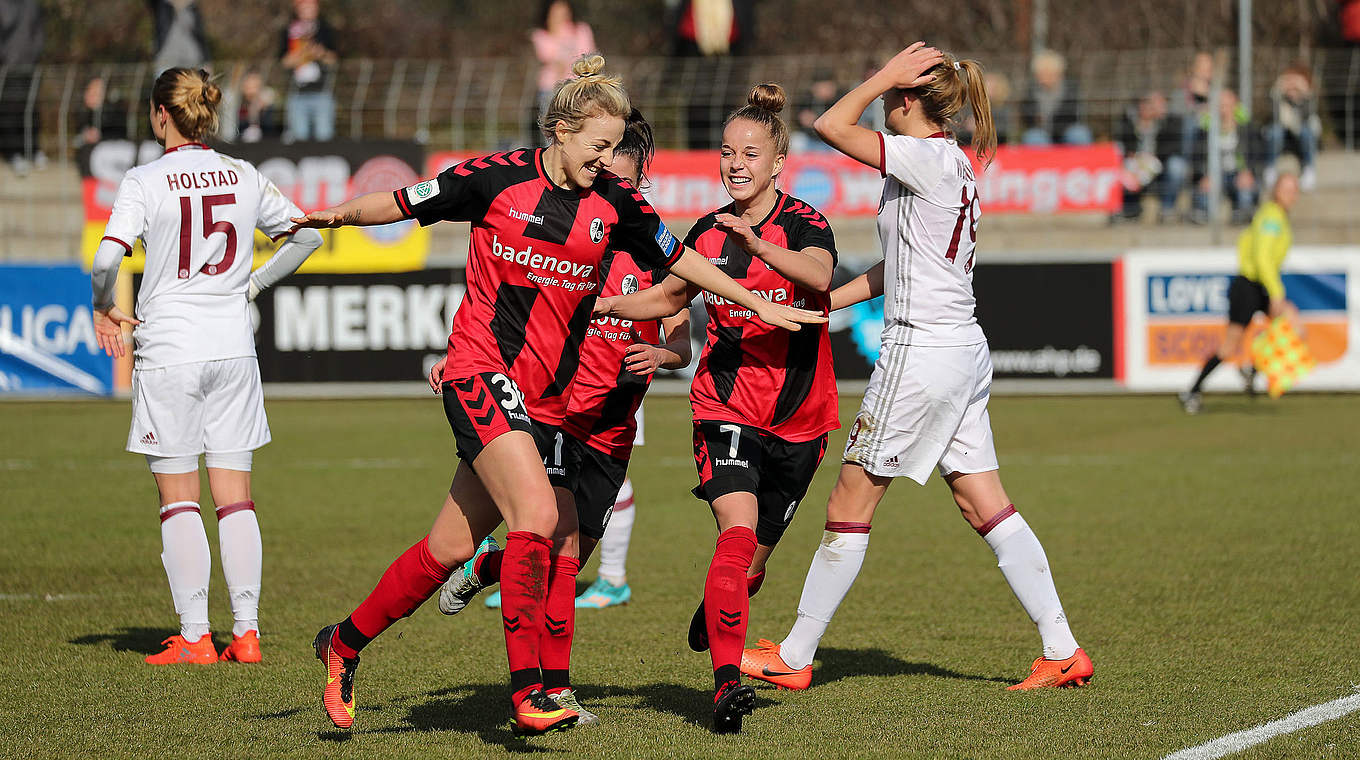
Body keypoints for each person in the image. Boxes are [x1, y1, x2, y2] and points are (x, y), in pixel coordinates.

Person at [295, 54, 824, 736]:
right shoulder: (493, 179)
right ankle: (531, 695)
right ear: (563, 131)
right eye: (598, 146)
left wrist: (758, 300)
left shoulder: (617, 200)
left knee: (449, 548)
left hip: (543, 403)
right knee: (538, 516)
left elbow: (680, 262)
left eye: (613, 149)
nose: (606, 160)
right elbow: (401, 201)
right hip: (481, 370)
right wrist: (328, 219)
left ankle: (342, 643)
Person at [739, 43, 1094, 693]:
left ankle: (793, 655)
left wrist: (880, 76)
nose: (879, 102)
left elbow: (828, 128)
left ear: (905, 99)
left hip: (923, 350)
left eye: (889, 94)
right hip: (960, 348)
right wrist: (820, 303)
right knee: (981, 500)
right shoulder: (947, 162)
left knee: (851, 499)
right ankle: (1063, 648)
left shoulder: (925, 155)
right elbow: (895, 267)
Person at [430, 109, 690, 724]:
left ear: (637, 175)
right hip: (555, 412)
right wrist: (456, 359)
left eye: (617, 169)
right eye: (598, 164)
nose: (603, 179)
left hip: (615, 422)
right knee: (560, 545)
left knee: (573, 556)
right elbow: (507, 307)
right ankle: (550, 688)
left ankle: (486, 565)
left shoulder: (650, 247)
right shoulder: (567, 234)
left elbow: (680, 336)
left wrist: (666, 352)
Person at [597, 83, 840, 733]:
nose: (736, 163)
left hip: (802, 420)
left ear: (778, 164)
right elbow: (668, 299)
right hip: (726, 406)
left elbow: (819, 278)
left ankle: (720, 606)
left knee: (752, 563)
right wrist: (611, 305)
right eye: (728, 152)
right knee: (734, 536)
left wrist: (758, 248)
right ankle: (727, 684)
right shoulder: (704, 233)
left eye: (750, 153)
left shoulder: (806, 224)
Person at [89, 67, 323, 666]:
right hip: (232, 350)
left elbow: (105, 259)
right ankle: (246, 634)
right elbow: (306, 238)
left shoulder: (144, 179)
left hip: (170, 348)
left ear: (159, 114)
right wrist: (250, 287)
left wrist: (104, 307)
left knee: (179, 498)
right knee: (236, 498)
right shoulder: (243, 174)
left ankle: (195, 637)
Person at [1180, 172, 1301, 414]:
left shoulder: (1278, 217)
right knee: (1228, 347)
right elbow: (1262, 257)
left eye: (1294, 190)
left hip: (1261, 286)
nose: (1291, 195)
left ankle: (1253, 368)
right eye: (1286, 189)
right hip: (1248, 286)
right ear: (1276, 191)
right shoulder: (1271, 217)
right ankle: (1192, 391)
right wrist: (1276, 292)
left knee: (1294, 324)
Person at [1114, 91, 1187, 223]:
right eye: (1149, 105)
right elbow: (1124, 145)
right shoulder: (1129, 120)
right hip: (1135, 163)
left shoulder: (1170, 121)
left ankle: (1167, 209)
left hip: (1160, 165)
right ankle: (1131, 208)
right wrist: (1142, 125)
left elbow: (1173, 148)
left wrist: (1151, 158)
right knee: (1127, 167)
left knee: (1177, 166)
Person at [1189, 89, 1260, 225]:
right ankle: (1203, 213)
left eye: (1226, 105)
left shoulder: (1247, 128)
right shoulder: (1205, 130)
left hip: (1238, 173)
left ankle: (1244, 213)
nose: (1223, 109)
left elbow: (1257, 155)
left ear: (1235, 106)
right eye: (1220, 105)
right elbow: (1197, 157)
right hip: (1214, 174)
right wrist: (1204, 175)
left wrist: (1249, 172)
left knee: (1246, 189)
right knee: (1204, 191)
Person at [530, 0, 596, 145]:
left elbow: (588, 55)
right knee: (552, 131)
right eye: (556, 12)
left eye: (563, 11)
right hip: (550, 89)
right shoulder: (540, 34)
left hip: (578, 87)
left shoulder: (581, 30)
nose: (561, 15)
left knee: (579, 128)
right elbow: (548, 55)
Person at [280, 0, 338, 142]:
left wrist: (320, 53)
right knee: (299, 138)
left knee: (324, 136)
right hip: (297, 93)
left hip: (322, 92)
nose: (308, 10)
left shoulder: (325, 29)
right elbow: (284, 61)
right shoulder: (289, 31)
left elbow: (334, 59)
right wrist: (302, 54)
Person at [1265, 64, 1320, 191]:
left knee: (1307, 131)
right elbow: (1276, 117)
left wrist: (1303, 94)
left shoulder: (1307, 100)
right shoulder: (1278, 98)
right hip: (1283, 138)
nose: (1292, 86)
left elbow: (1307, 118)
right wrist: (1278, 91)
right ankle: (1270, 169)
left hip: (1301, 138)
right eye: (1288, 81)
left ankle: (1309, 169)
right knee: (1275, 131)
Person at [1019, 49, 1090, 146]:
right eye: (1042, 73)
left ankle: (1080, 161)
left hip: (1066, 131)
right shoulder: (1031, 92)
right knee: (1033, 137)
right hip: (1041, 133)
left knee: (1079, 134)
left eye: (1050, 73)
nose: (1046, 77)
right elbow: (1025, 116)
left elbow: (1074, 115)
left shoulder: (1071, 90)